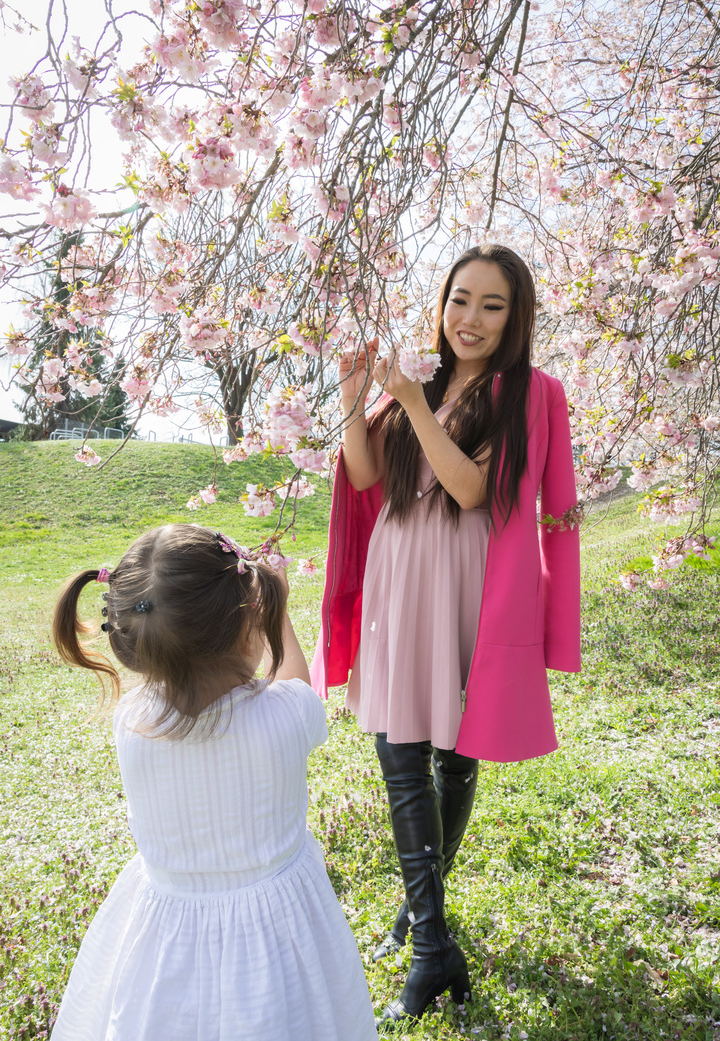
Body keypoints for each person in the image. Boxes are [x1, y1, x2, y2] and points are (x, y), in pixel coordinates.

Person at [311, 244, 581, 1027]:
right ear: (442, 301)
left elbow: (470, 490)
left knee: (452, 755)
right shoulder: (418, 385)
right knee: (399, 753)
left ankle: (425, 925)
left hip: (468, 577)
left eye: (491, 306)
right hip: (401, 572)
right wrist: (353, 397)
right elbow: (364, 478)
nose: (470, 319)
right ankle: (431, 939)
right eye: (460, 299)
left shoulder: (523, 392)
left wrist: (415, 404)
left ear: (514, 317)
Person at [50, 523, 377, 1041]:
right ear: (250, 627)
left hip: (162, 931)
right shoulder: (284, 718)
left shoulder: (131, 722)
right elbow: (296, 683)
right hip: (279, 932)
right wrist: (282, 612)